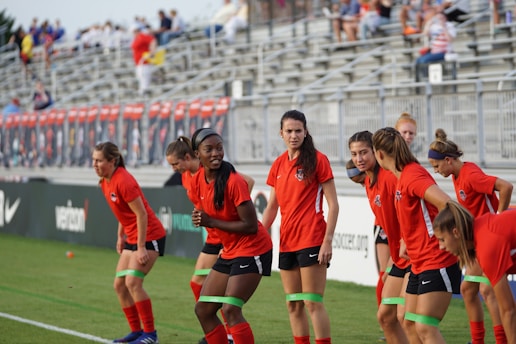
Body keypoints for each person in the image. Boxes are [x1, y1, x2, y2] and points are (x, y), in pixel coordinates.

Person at [372, 127, 461, 343]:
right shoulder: (403, 177)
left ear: (380, 154)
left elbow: (448, 205)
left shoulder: (411, 175)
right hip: (418, 262)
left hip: (436, 259)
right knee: (407, 321)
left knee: (424, 326)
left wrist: (445, 241)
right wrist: (405, 241)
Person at [165, 135, 255, 344]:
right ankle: (218, 329)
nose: (174, 169)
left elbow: (247, 182)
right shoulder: (189, 176)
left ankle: (227, 331)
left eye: (175, 164)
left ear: (189, 157)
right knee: (198, 283)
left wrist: (230, 211)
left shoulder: (216, 170)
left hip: (224, 235)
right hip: (214, 233)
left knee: (201, 284)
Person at [188, 128, 273, 344]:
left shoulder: (233, 182)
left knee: (231, 309)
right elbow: (204, 212)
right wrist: (200, 217)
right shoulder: (197, 181)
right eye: (209, 149)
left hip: (253, 249)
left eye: (219, 148)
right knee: (203, 309)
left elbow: (251, 226)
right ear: (197, 154)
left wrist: (210, 222)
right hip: (230, 251)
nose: (216, 153)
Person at [428, 128, 513, 343]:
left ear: (448, 160)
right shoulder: (459, 175)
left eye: (436, 166)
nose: (436, 171)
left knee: (485, 289)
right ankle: (480, 340)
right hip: (479, 238)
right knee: (469, 289)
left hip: (489, 238)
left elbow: (505, 187)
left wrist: (499, 218)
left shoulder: (470, 175)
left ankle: (497, 339)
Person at [261, 110, 339, 344]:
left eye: (298, 131)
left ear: (306, 132)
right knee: (293, 303)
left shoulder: (317, 160)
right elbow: (272, 207)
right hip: (287, 242)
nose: (294, 135)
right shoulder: (278, 164)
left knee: (312, 302)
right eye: (289, 131)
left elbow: (333, 205)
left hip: (313, 239)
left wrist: (327, 241)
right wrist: (259, 236)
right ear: (281, 133)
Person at [92, 141, 166, 344]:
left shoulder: (123, 180)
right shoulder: (105, 182)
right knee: (119, 285)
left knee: (133, 282)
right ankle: (136, 331)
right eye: (94, 160)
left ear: (113, 161)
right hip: (132, 237)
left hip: (150, 235)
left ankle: (150, 335)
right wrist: (120, 236)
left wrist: (141, 247)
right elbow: (124, 213)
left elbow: (141, 214)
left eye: (99, 161)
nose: (95, 165)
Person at [348, 131, 410, 343]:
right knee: (385, 317)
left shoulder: (391, 178)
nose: (359, 158)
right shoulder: (368, 182)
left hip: (413, 254)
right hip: (399, 257)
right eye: (354, 154)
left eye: (364, 152)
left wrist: (396, 257)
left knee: (407, 319)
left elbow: (409, 219)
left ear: (376, 152)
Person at [433, 201, 516, 343]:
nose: (441, 247)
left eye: (442, 240)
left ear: (456, 233)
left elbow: (509, 310)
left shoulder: (487, 246)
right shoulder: (480, 231)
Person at [131, 26, 157, 96]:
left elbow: (152, 40)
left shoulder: (142, 36)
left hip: (144, 63)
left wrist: (152, 52)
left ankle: (145, 96)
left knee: (144, 80)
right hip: (138, 63)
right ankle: (143, 95)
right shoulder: (136, 38)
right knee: (140, 79)